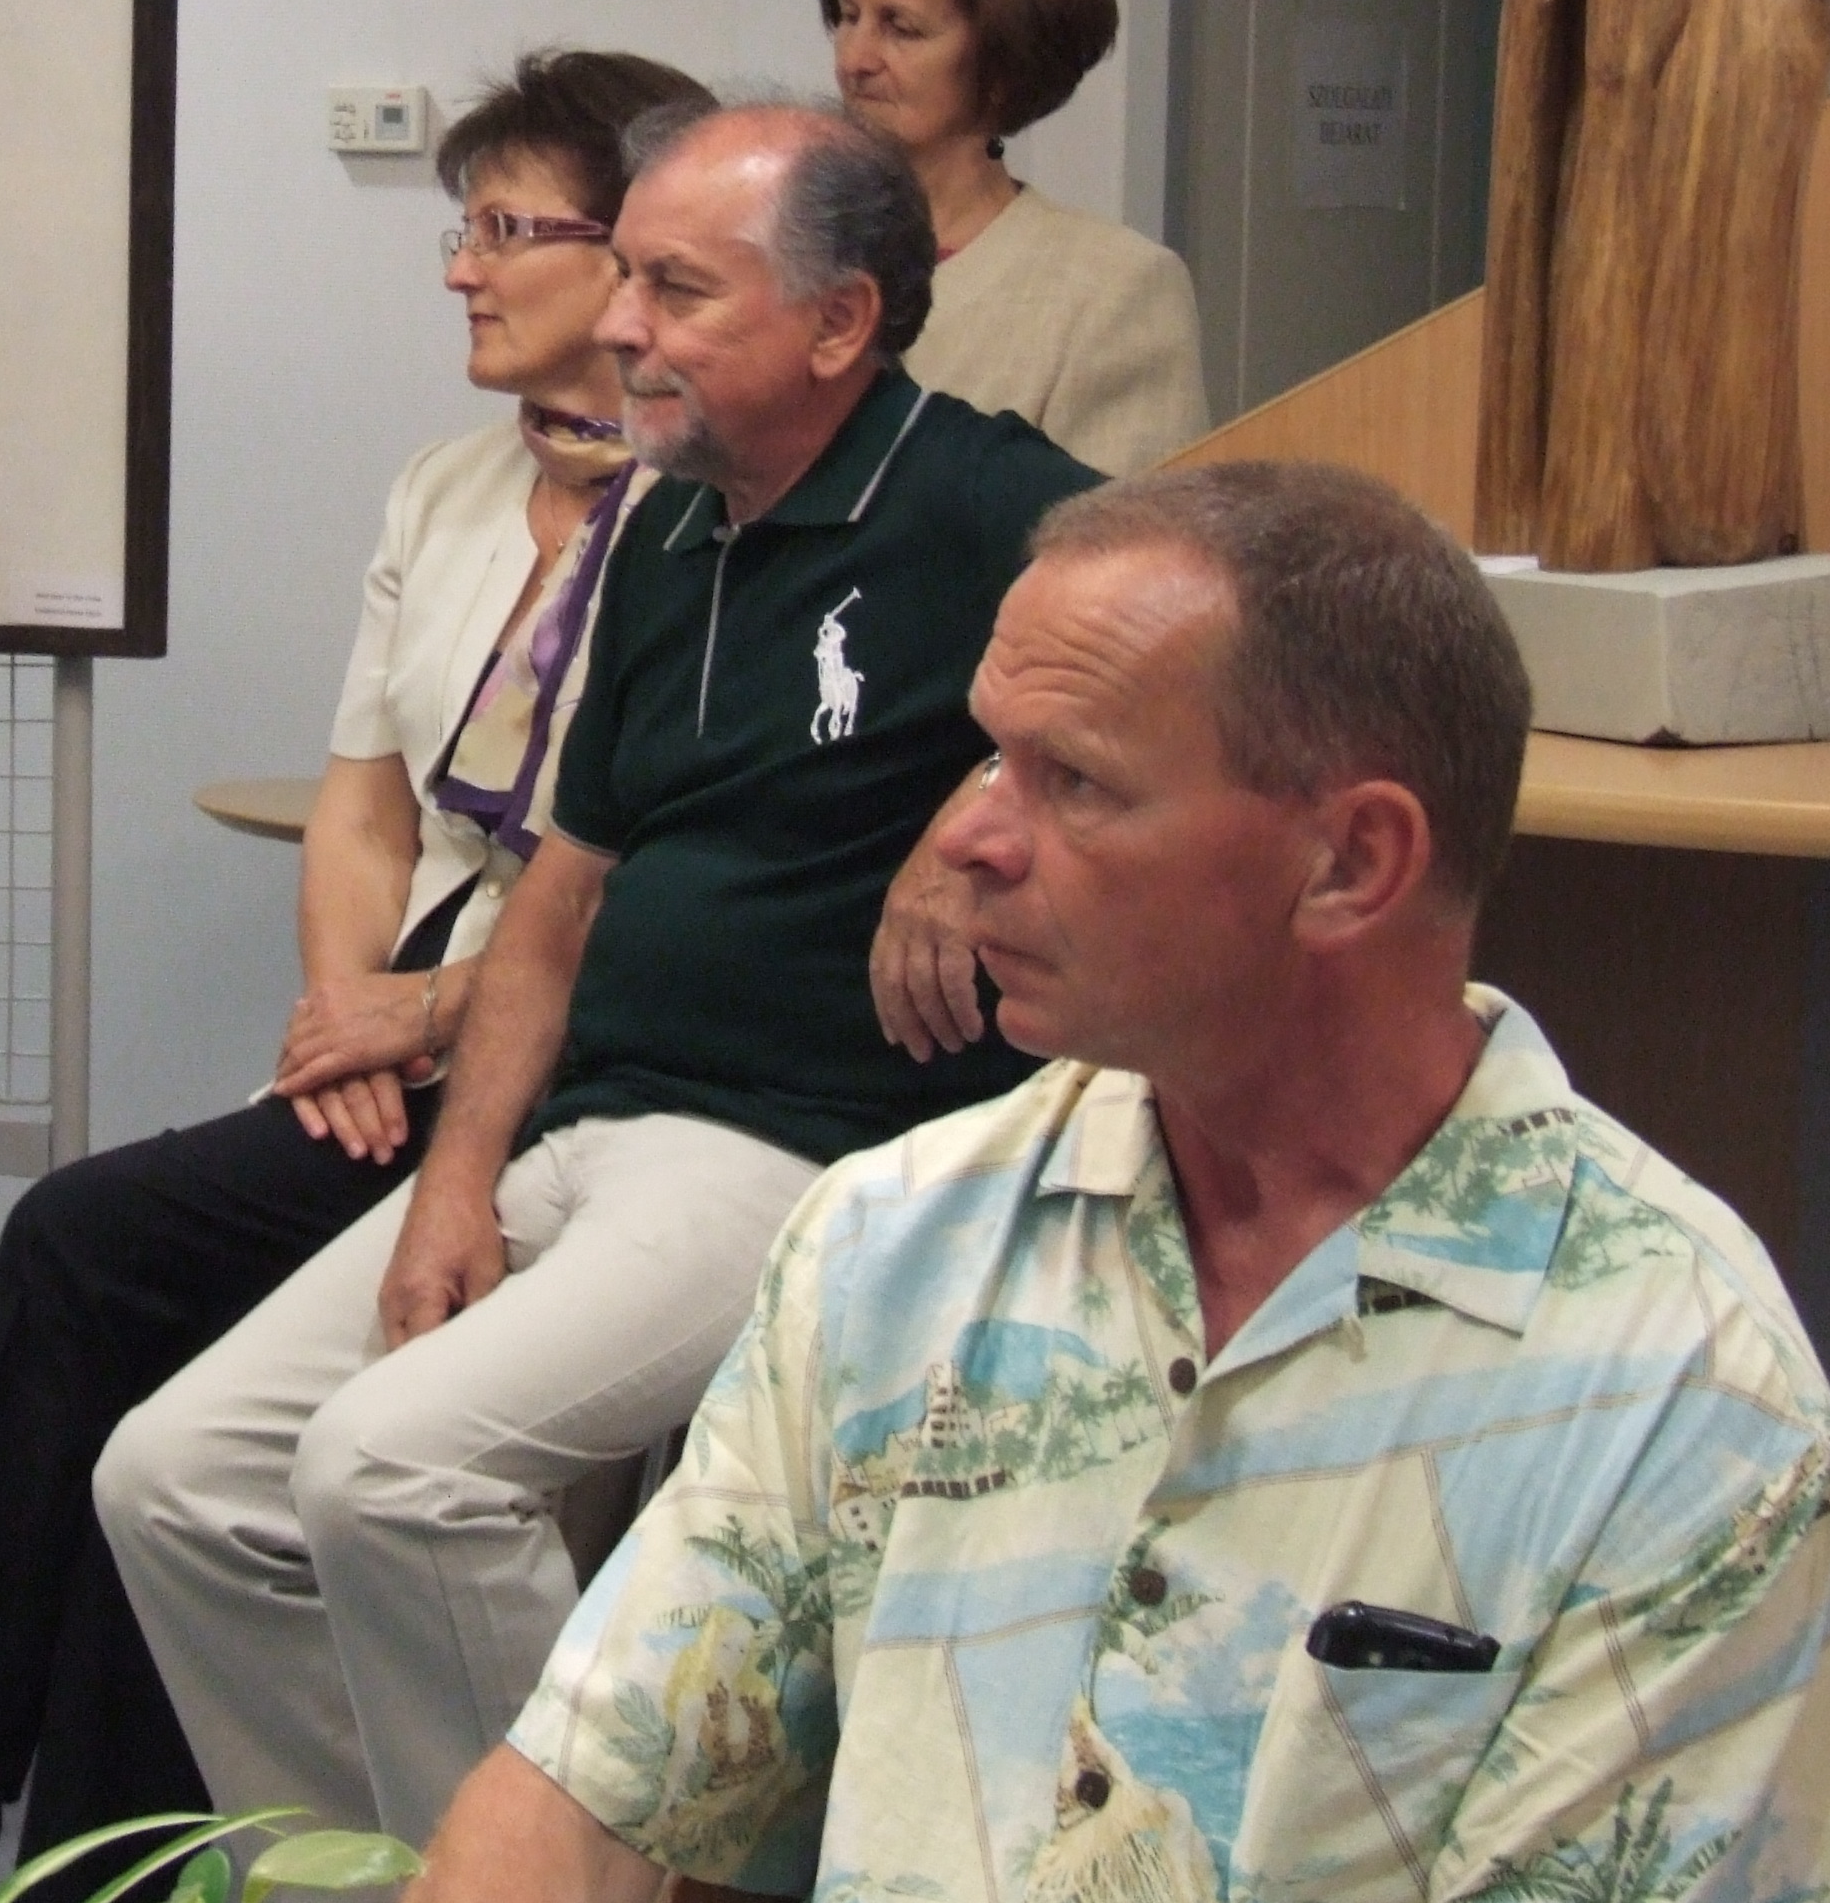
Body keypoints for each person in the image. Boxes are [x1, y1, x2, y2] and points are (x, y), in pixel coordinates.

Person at [422, 461, 1830, 1903]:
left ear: (1351, 863)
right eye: (988, 759)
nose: (968, 838)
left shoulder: (1678, 1399)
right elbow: (588, 1791)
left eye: (1074, 782)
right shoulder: (896, 1243)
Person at [96, 103, 1102, 1849]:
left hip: (797, 1154)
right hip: (581, 1125)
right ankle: (398, 1879)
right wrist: (454, 1182)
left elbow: (1219, 669)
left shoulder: (986, 503)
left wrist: (983, 799)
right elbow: (556, 906)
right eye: (623, 275)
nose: (620, 326)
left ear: (841, 321)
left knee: (390, 1470)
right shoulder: (663, 528)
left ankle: (554, 1878)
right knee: (176, 1482)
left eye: (675, 289)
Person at [0, 48, 706, 1903]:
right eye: (458, 228)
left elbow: (658, 881)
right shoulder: (445, 490)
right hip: (405, 1007)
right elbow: (361, 798)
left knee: (83, 1249)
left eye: (503, 228)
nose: (459, 268)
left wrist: (419, 1020)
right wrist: (347, 1016)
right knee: (141, 1357)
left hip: (571, 1044)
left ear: (629, 262)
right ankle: (61, 1836)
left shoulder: (704, 522)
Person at [819, 0, 1210, 472]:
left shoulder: (1111, 292)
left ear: (1005, 64)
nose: (854, 59)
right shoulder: (784, 243)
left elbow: (1126, 530)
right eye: (847, 16)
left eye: (901, 28)